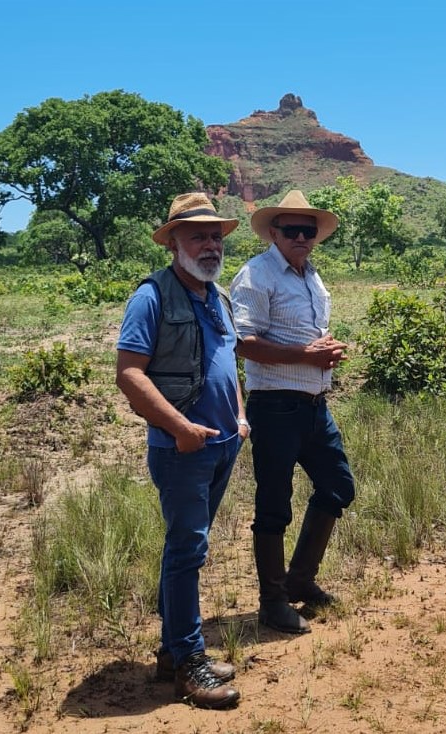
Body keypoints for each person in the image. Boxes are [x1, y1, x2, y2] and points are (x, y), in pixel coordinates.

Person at [116, 192, 250, 708]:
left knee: (189, 549)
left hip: (220, 446)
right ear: (173, 242)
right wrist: (181, 429)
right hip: (181, 450)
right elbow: (129, 374)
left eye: (215, 235)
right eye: (198, 235)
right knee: (186, 551)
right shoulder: (151, 296)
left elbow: (227, 361)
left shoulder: (218, 296)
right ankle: (191, 665)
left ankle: (175, 652)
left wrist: (238, 417)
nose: (211, 244)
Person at [230, 190, 355, 635]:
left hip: (314, 404)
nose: (302, 236)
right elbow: (243, 343)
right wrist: (307, 355)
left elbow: (307, 339)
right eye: (292, 230)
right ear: (274, 233)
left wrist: (325, 349)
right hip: (276, 405)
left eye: (309, 230)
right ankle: (273, 602)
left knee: (338, 486)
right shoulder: (255, 275)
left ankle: (300, 579)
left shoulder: (311, 277)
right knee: (273, 505)